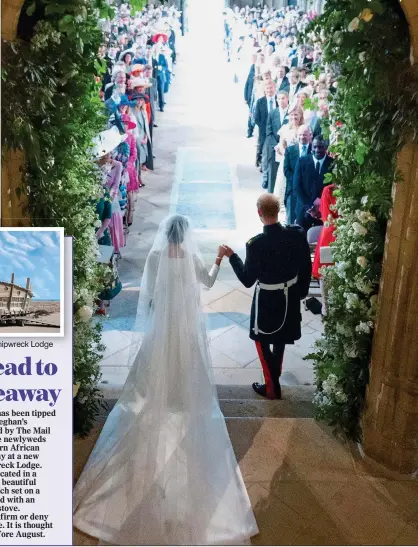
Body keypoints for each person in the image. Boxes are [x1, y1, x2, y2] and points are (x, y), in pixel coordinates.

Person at [73, 215, 259, 545]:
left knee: (155, 363)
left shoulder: (157, 257)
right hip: (185, 325)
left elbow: (148, 293)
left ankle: (159, 395)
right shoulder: (192, 258)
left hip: (162, 324)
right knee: (187, 363)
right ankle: (180, 397)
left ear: (165, 236)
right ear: (185, 236)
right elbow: (210, 282)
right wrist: (217, 259)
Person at [220, 195, 311, 399]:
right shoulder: (297, 234)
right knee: (280, 338)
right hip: (289, 297)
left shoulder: (256, 244)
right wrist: (301, 293)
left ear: (259, 213)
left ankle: (271, 387)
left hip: (267, 299)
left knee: (261, 339)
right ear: (277, 211)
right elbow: (306, 266)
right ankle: (274, 377)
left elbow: (247, 279)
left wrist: (233, 257)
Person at [293, 136, 334, 232]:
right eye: (315, 147)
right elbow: (296, 187)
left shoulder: (332, 164)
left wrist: (320, 205)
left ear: (326, 147)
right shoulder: (302, 161)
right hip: (304, 209)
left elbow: (333, 188)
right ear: (311, 147)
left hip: (323, 211)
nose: (317, 150)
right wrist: (310, 207)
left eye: (320, 147)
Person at [312, 184, 338, 315]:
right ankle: (326, 307)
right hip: (330, 235)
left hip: (347, 234)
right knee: (325, 273)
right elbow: (327, 216)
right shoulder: (328, 190)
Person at [283, 125, 313, 224]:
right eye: (299, 135)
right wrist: (297, 182)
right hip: (293, 190)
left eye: (304, 135)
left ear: (309, 136)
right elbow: (287, 170)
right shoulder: (290, 150)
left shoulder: (315, 150)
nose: (302, 137)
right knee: (291, 220)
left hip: (309, 192)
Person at [262, 90, 289, 192]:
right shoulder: (273, 113)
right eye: (278, 98)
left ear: (287, 99)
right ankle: (270, 196)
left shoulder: (291, 112)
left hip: (286, 148)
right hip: (273, 148)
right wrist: (276, 145)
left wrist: (283, 145)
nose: (281, 101)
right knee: (272, 173)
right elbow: (268, 131)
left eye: (283, 98)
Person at [254, 79, 277, 168]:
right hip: (264, 130)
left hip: (276, 129)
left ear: (274, 88)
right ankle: (263, 164)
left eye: (271, 88)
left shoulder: (278, 99)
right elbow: (256, 118)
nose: (269, 90)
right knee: (263, 148)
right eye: (267, 88)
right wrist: (264, 128)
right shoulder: (260, 101)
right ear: (264, 89)